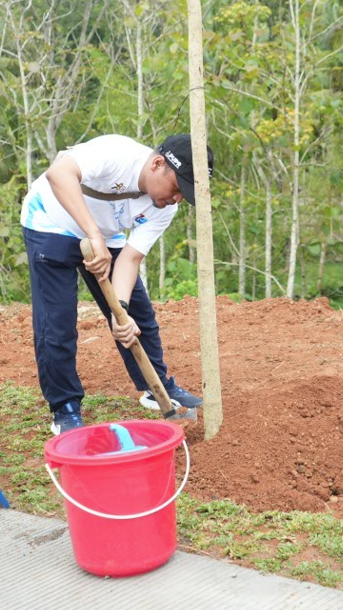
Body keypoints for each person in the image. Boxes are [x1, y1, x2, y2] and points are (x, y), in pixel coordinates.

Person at [20, 133, 214, 433]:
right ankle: (65, 408)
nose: (177, 199)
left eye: (184, 195)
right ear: (158, 164)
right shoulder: (115, 153)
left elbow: (130, 259)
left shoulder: (164, 208)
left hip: (104, 234)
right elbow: (58, 172)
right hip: (50, 221)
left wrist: (119, 311)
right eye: (177, 187)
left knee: (138, 316)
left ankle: (155, 386)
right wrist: (92, 235)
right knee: (57, 323)